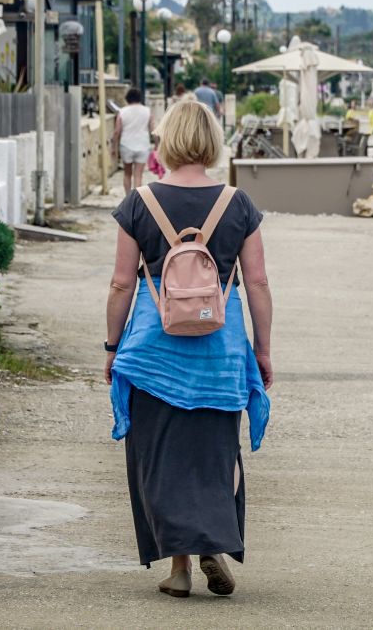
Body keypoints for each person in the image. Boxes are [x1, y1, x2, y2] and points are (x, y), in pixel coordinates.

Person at [105, 100, 273, 598]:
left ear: (167, 140)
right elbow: (258, 283)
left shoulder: (139, 203)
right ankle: (212, 543)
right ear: (213, 142)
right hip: (220, 354)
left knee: (162, 458)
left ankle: (178, 571)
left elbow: (120, 285)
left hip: (154, 352)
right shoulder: (237, 204)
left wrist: (113, 347)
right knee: (217, 455)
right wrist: (261, 350)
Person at [112, 88, 155, 194]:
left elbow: (117, 132)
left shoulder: (122, 112)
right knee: (138, 175)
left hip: (126, 145)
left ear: (128, 98)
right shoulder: (147, 111)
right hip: (143, 145)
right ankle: (136, 199)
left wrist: (113, 147)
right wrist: (157, 145)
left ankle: (128, 198)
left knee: (127, 174)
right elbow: (153, 130)